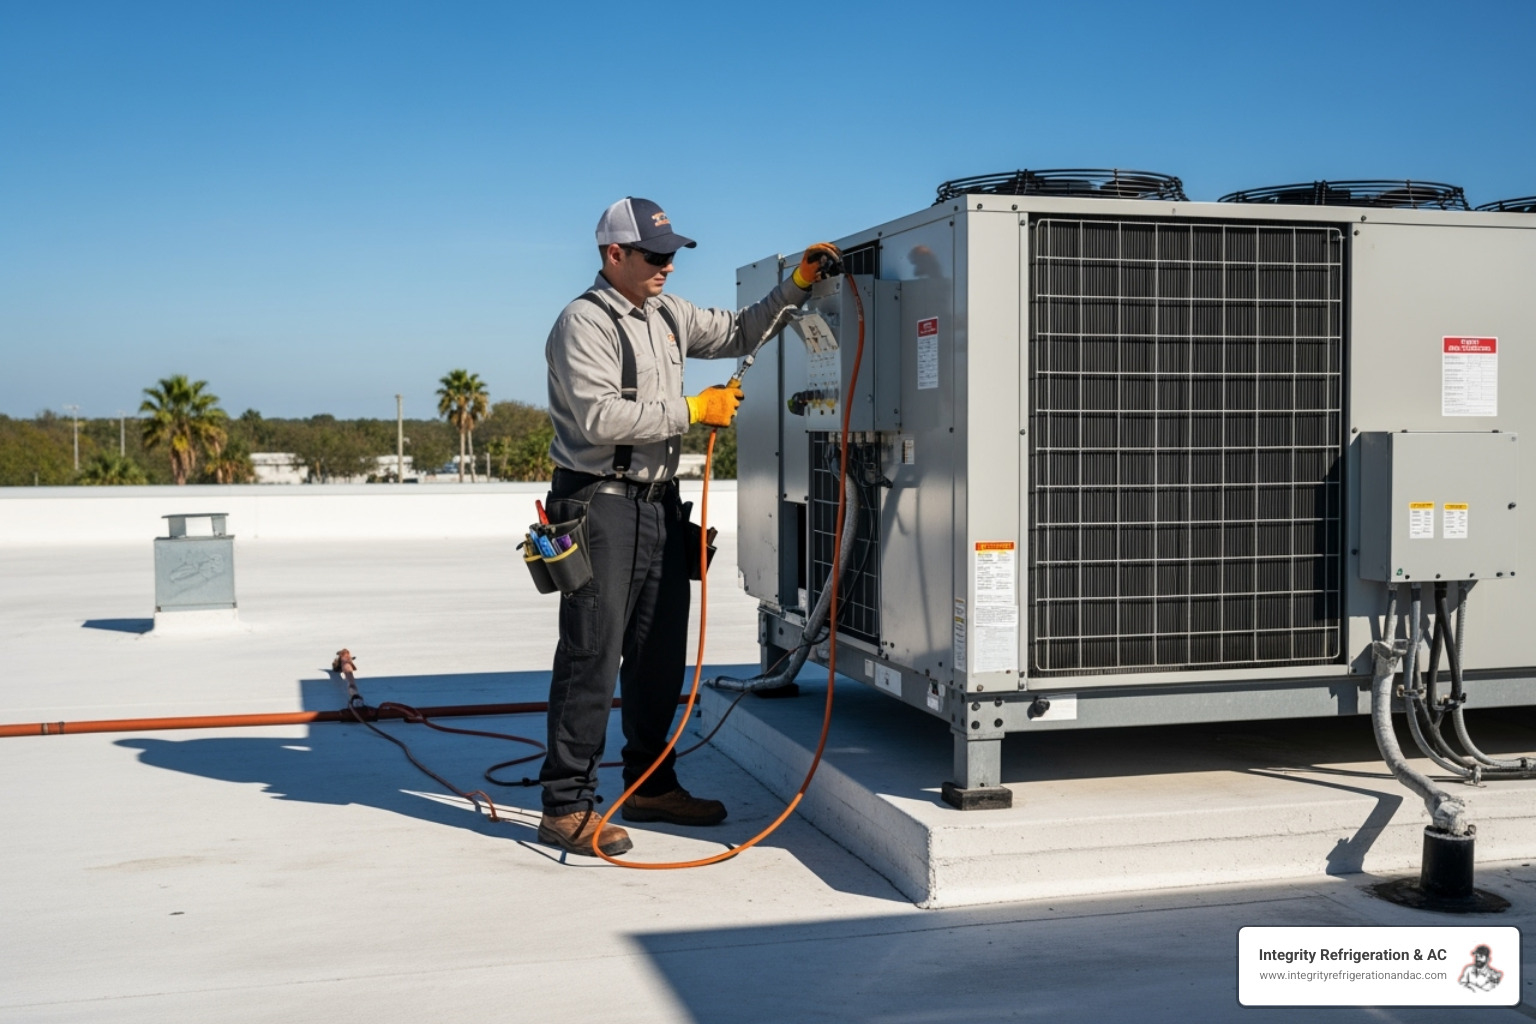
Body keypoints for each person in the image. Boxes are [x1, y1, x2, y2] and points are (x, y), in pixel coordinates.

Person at [536, 196, 839, 856]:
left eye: (672, 255)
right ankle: (565, 804)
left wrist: (796, 285)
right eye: (655, 255)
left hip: (659, 505)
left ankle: (651, 785)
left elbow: (740, 331)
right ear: (614, 253)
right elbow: (599, 419)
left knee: (658, 654)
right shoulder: (583, 323)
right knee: (592, 654)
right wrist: (695, 408)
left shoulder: (668, 313)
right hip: (598, 503)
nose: (667, 266)